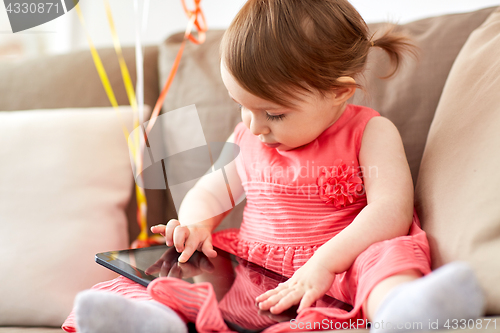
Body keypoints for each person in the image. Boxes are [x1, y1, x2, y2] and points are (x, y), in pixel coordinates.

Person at [72, 1, 485, 332]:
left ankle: (404, 312)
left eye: (274, 113)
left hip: (344, 262)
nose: (253, 125)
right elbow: (211, 191)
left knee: (387, 257)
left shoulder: (370, 131)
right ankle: (153, 322)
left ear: (338, 92)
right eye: (242, 106)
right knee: (167, 277)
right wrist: (195, 223)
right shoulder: (248, 136)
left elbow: (390, 212)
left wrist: (324, 263)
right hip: (256, 273)